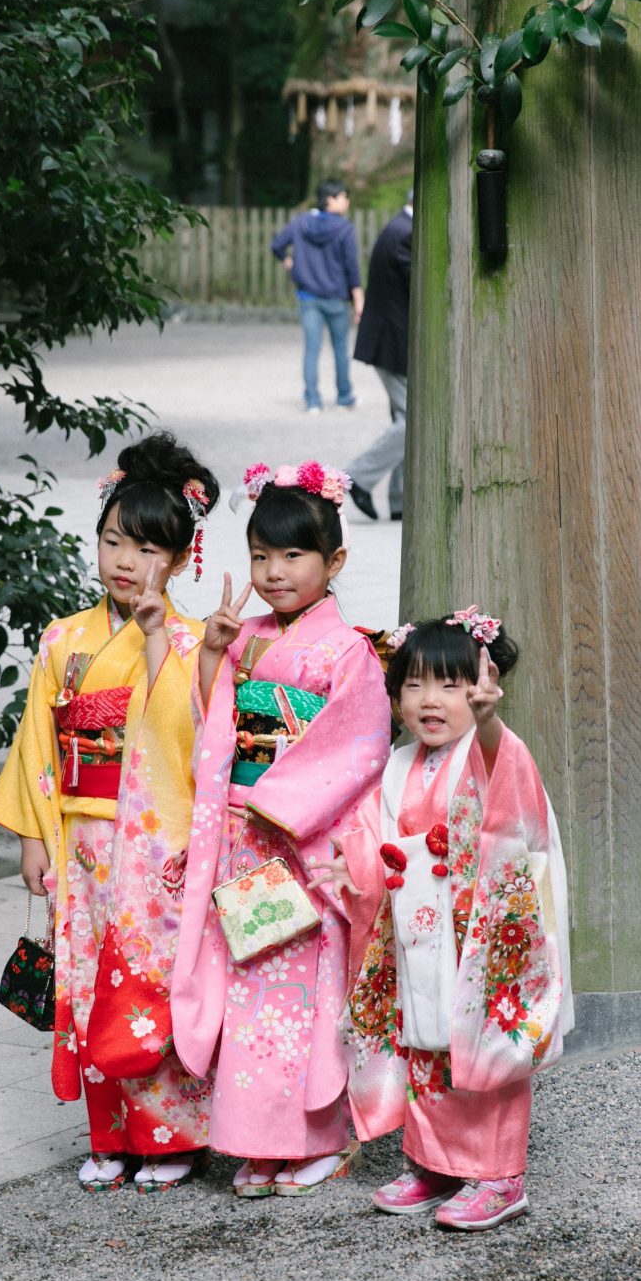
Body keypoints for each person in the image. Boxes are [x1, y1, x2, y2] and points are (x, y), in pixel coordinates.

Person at [0, 433, 220, 1194]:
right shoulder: (63, 639)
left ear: (180, 560)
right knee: (84, 981)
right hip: (80, 834)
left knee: (148, 981)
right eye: (113, 539)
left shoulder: (188, 639)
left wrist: (154, 637)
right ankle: (110, 1134)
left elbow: (185, 737)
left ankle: (170, 1135)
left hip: (154, 839)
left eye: (147, 547)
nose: (124, 560)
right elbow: (36, 745)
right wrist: (31, 836)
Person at [171, 460, 391, 1198]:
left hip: (301, 844)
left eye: (292, 555)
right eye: (260, 555)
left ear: (334, 561)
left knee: (303, 998)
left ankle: (318, 1141)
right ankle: (258, 1144)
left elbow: (358, 745)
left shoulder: (347, 650)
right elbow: (217, 729)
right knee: (249, 995)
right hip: (245, 839)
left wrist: (279, 800)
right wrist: (211, 652)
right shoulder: (246, 637)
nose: (272, 571)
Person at [340, 610, 570, 1232]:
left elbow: (511, 804)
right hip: (417, 925)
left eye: (450, 684)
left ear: (481, 689)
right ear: (395, 699)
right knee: (423, 1040)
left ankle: (499, 1177)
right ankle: (434, 1162)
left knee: (482, 1044)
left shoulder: (489, 749)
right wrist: (354, 872)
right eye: (414, 685)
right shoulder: (398, 764)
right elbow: (370, 839)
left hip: (476, 929)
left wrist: (492, 723)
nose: (431, 700)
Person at [271, 182, 366, 414]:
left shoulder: (301, 222)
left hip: (308, 296)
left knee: (311, 349)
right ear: (330, 199)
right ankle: (344, 398)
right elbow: (351, 265)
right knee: (340, 348)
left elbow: (277, 245)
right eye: (344, 196)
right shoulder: (344, 229)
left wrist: (288, 262)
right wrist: (358, 296)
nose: (347, 201)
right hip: (335, 298)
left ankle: (313, 401)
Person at [346, 200, 414, 521]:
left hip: (392, 341)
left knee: (406, 419)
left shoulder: (399, 228)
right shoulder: (405, 233)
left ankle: (401, 500)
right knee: (413, 421)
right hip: (394, 343)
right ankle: (358, 476)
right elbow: (421, 287)